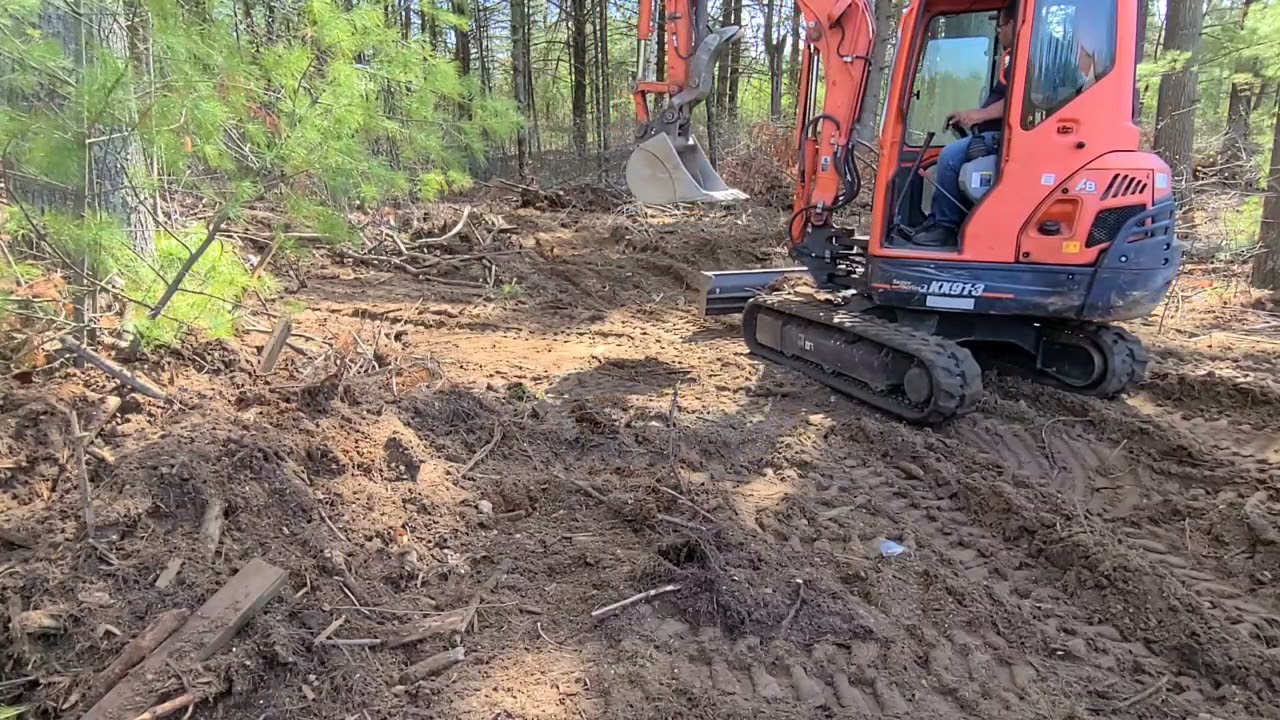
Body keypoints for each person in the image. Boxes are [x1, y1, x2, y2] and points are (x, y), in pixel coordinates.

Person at [911, 0, 1017, 248]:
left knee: (949, 156)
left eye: (1000, 26)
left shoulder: (1024, 62)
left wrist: (980, 116)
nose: (998, 32)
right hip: (995, 135)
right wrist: (969, 115)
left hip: (1006, 140)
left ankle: (945, 226)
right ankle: (938, 219)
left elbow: (1015, 101)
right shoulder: (1012, 61)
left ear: (1012, 24)